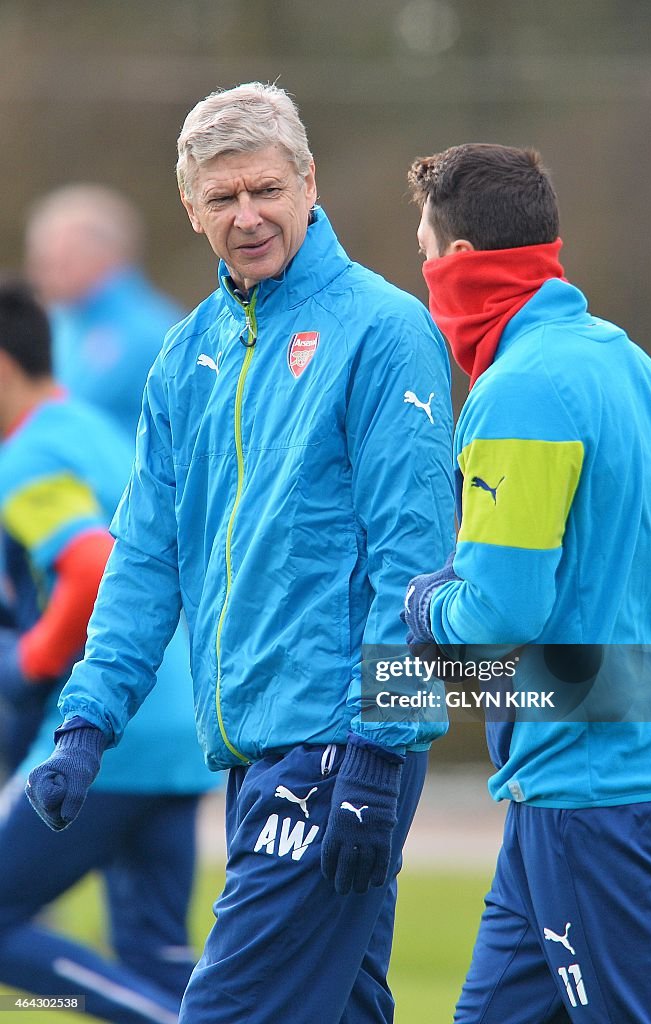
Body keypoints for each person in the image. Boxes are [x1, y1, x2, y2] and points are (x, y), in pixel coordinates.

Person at [26, 82, 455, 1024]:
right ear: (190, 210)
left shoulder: (383, 333)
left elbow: (414, 561)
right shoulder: (186, 355)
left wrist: (380, 752)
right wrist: (86, 725)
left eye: (265, 189)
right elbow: (143, 558)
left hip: (340, 747)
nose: (247, 215)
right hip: (251, 748)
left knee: (225, 1012)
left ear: (310, 182)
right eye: (221, 199)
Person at [403, 144, 651, 1024]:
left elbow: (500, 609)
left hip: (594, 784)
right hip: (614, 766)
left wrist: (426, 606)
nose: (423, 274)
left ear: (460, 264)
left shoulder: (520, 391)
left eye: (425, 252)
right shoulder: (630, 365)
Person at [0, 278, 219, 1023]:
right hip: (176, 716)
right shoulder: (94, 430)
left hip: (104, 734)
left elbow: (91, 566)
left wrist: (29, 662)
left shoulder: (28, 458)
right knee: (154, 950)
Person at [24, 184, 182, 440]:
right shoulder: (57, 321)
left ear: (107, 256)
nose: (41, 274)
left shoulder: (153, 334)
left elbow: (58, 414)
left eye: (60, 261)